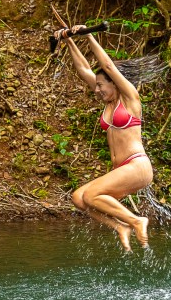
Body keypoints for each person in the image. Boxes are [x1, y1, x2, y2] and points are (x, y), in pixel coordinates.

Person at [55, 25, 152, 252]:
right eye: (96, 86)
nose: (96, 90)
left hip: (137, 165)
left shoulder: (130, 100)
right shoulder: (108, 103)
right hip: (121, 169)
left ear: (114, 83)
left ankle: (137, 221)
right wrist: (68, 39)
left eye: (101, 85)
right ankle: (120, 226)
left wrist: (88, 35)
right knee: (79, 198)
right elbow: (84, 70)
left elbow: (107, 65)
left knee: (92, 194)